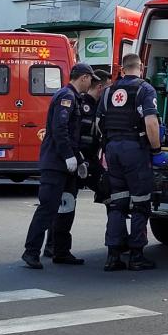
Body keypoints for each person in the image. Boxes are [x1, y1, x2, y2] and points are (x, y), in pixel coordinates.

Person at [21, 63, 100, 269]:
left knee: (67, 208)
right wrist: (67, 156)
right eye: (90, 78)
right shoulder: (66, 97)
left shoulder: (74, 97)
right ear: (83, 78)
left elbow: (73, 136)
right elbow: (59, 129)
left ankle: (61, 250)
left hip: (67, 166)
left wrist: (78, 158)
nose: (91, 82)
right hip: (56, 164)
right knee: (48, 208)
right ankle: (31, 252)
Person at [97, 53, 168, 271]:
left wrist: (110, 145)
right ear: (142, 67)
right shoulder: (145, 89)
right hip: (134, 150)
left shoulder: (108, 90)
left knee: (117, 203)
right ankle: (136, 256)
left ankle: (113, 256)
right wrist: (156, 150)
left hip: (112, 149)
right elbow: (151, 123)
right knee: (140, 203)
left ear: (122, 69)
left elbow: (99, 123)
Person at [42, 69, 111, 258]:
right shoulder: (79, 103)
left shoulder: (96, 106)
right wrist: (73, 158)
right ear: (100, 86)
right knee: (63, 203)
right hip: (77, 160)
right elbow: (67, 132)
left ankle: (115, 242)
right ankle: (53, 246)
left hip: (88, 161)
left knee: (107, 194)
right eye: (108, 88)